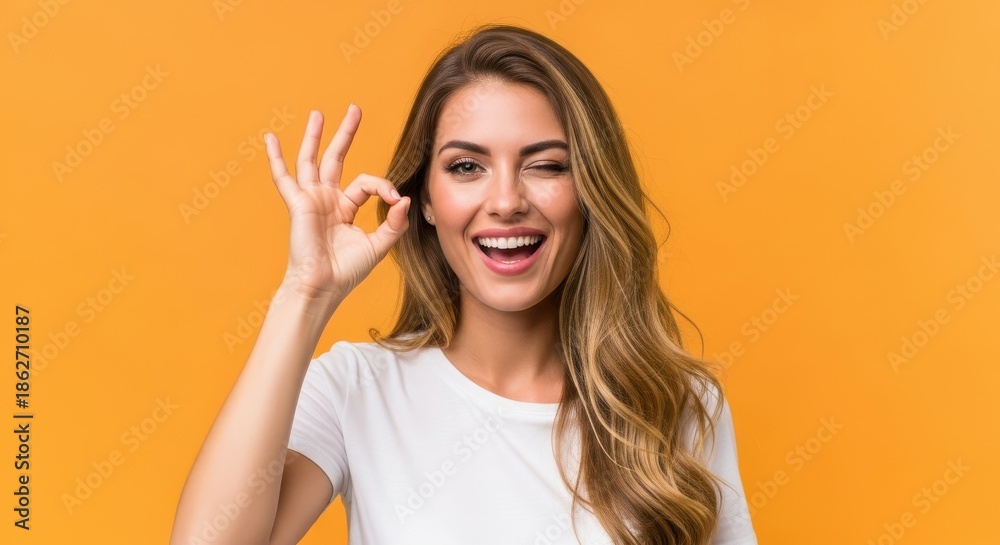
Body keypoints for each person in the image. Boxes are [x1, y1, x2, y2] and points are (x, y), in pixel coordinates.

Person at [170, 24, 758, 545]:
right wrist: (304, 292)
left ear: (591, 194)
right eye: (466, 167)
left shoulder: (673, 403)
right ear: (426, 198)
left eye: (547, 164)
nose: (505, 202)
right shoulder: (357, 389)